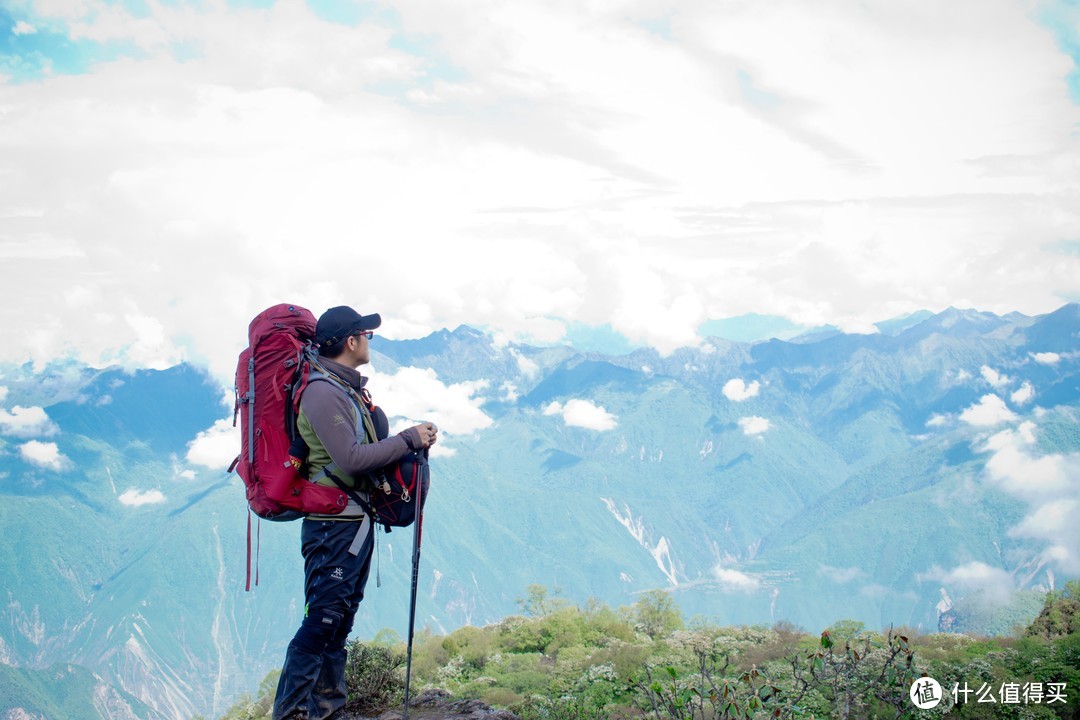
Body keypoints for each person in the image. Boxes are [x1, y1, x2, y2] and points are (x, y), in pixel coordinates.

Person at [273, 305, 437, 720]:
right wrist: (407, 438)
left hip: (350, 523)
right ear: (351, 341)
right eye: (367, 334)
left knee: (338, 623)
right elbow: (349, 459)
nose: (369, 341)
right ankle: (291, 713)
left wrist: (407, 445)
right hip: (334, 529)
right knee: (322, 622)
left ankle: (329, 710)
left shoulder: (340, 387)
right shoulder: (323, 391)